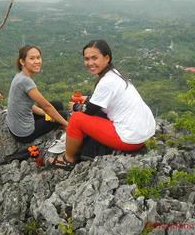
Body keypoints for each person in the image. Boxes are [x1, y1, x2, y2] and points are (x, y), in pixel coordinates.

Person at [49, 40, 156, 170]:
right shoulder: (115, 74)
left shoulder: (107, 81)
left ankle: (67, 159)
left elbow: (89, 111)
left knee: (76, 119)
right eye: (87, 59)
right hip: (142, 134)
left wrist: (75, 107)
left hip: (130, 139)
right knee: (95, 113)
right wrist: (87, 98)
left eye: (95, 58)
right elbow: (102, 101)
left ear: (107, 58)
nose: (90, 63)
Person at [6, 45, 68, 143]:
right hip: (24, 133)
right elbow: (47, 106)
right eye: (32, 58)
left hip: (15, 126)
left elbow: (27, 105)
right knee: (63, 115)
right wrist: (67, 125)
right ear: (22, 61)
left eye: (38, 57)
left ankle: (55, 123)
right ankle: (61, 129)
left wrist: (45, 114)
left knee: (57, 105)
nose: (37, 61)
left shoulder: (19, 76)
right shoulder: (26, 81)